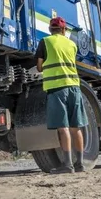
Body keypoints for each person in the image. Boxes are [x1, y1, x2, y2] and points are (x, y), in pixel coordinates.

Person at [35, 16, 86, 174]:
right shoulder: (72, 44)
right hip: (74, 87)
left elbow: (39, 67)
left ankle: (67, 165)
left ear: (50, 29)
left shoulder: (46, 42)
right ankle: (81, 164)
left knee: (63, 128)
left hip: (57, 88)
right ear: (64, 30)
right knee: (76, 127)